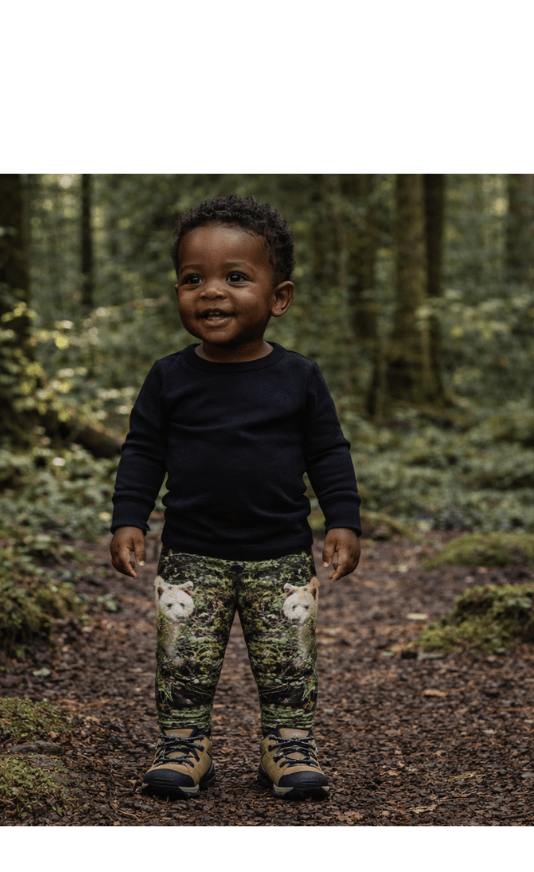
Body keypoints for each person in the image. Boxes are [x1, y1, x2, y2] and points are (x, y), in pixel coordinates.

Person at [109, 194, 361, 801]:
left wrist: (343, 520)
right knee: (185, 661)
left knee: (287, 661)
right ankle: (185, 745)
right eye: (193, 278)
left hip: (280, 555)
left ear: (280, 297)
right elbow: (143, 450)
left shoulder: (298, 377)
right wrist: (129, 518)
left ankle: (287, 745)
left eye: (236, 277)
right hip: (192, 556)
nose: (211, 291)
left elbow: (329, 451)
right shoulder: (169, 377)